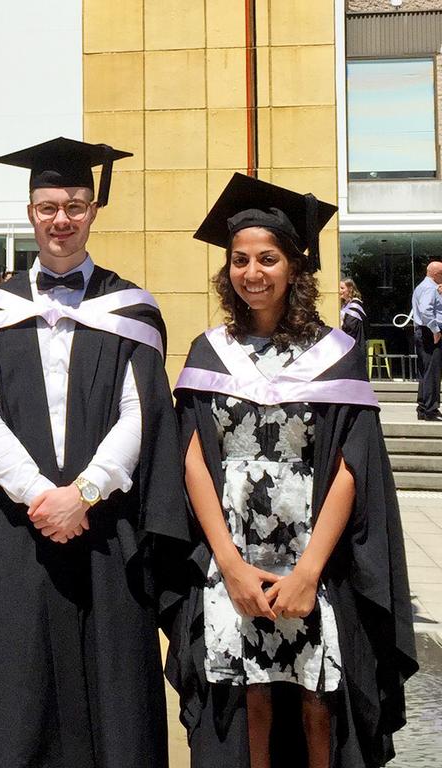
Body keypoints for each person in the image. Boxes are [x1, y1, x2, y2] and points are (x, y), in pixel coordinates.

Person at [0, 137, 191, 767]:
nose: (61, 220)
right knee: (13, 693)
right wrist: (37, 494)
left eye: (74, 205)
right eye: (48, 206)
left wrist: (87, 492)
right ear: (29, 211)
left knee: (112, 694)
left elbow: (144, 413)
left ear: (93, 210)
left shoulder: (131, 309)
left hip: (107, 529)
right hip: (16, 526)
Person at [168, 173, 417, 768]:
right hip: (234, 558)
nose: (252, 272)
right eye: (240, 260)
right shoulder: (209, 352)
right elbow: (192, 458)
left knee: (316, 697)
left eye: (268, 259)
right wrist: (227, 563)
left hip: (313, 562)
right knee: (247, 695)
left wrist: (309, 572)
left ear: (295, 266)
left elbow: (352, 467)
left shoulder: (336, 354)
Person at [411, 259, 442, 421]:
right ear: (436, 274)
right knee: (432, 371)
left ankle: (423, 407)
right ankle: (431, 409)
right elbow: (426, 311)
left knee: (425, 371)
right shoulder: (430, 288)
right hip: (430, 333)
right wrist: (435, 330)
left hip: (423, 332)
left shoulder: (423, 287)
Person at [338, 277, 366, 352]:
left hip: (354, 344)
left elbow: (350, 326)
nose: (339, 291)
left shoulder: (355, 304)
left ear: (350, 289)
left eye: (342, 288)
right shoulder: (345, 304)